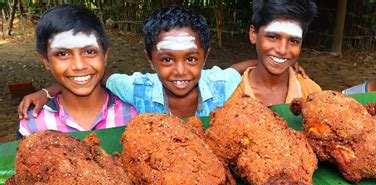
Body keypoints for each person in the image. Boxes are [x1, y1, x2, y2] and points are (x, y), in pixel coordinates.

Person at [18, 5, 258, 119]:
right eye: (166, 59)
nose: (180, 71)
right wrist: (48, 92)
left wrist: (283, 65)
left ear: (206, 56)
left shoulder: (220, 83)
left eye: (192, 58)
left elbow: (239, 68)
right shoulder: (136, 88)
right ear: (150, 60)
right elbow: (92, 75)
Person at [17, 4, 137, 138]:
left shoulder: (136, 112)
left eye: (89, 52)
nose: (79, 66)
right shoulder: (33, 126)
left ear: (105, 55)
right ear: (46, 60)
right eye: (63, 54)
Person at [228, 0, 321, 106]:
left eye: (293, 41)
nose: (282, 50)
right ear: (253, 34)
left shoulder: (311, 93)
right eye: (273, 37)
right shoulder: (228, 93)